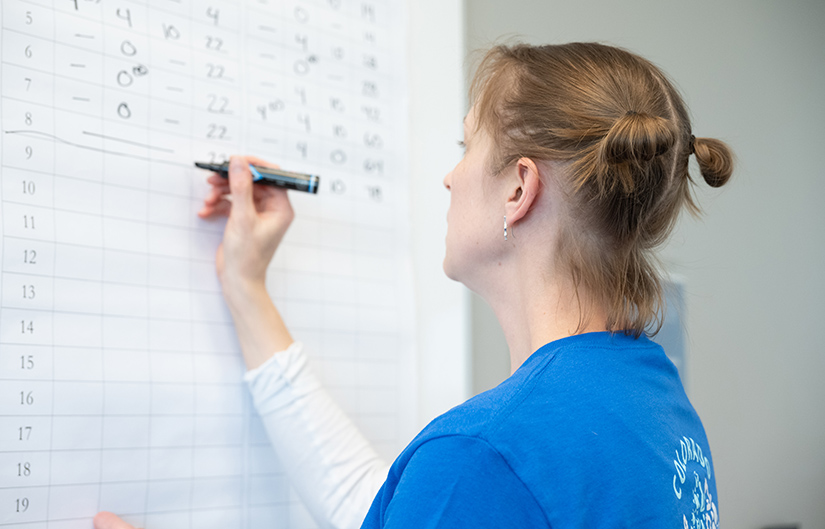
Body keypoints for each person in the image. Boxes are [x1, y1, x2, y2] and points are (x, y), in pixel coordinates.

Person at [94, 42, 732, 529]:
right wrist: (245, 285)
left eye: (466, 145)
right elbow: (395, 508)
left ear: (519, 189)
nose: (450, 177)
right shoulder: (651, 397)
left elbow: (457, 489)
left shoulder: (484, 455)